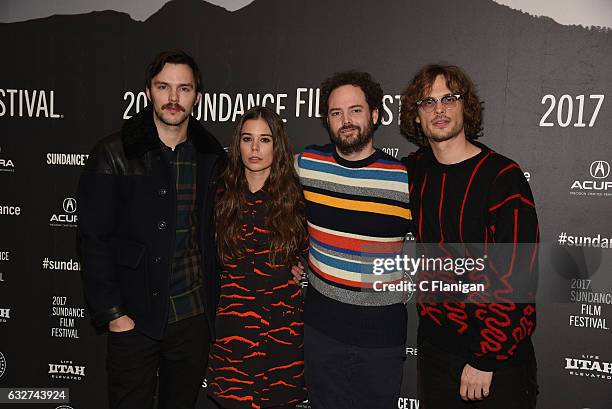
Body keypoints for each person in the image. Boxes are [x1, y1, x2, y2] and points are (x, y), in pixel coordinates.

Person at [77, 49, 225, 409]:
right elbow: (93, 240)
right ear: (148, 92)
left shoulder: (211, 157)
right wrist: (114, 315)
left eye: (184, 89)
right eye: (164, 87)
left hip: (191, 319)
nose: (173, 98)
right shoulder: (114, 152)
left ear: (197, 97)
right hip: (134, 318)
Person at [400, 64, 539, 409]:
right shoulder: (413, 172)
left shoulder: (502, 176)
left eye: (449, 98)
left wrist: (485, 358)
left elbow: (518, 274)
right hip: (434, 352)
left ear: (466, 106)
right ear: (416, 116)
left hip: (495, 358)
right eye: (427, 102)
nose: (439, 110)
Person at [293, 71, 412, 408]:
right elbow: (265, 199)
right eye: (336, 113)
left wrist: (411, 279)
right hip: (322, 331)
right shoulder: (307, 165)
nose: (346, 121)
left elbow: (439, 237)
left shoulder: (404, 178)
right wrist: (290, 257)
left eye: (355, 110)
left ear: (374, 115)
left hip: (381, 337)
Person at [208, 106, 308, 409]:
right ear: (237, 144)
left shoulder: (297, 198)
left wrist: (302, 267)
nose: (254, 148)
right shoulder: (220, 196)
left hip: (281, 336)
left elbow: (312, 253)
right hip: (233, 335)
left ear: (276, 146)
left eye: (264, 140)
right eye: (247, 138)